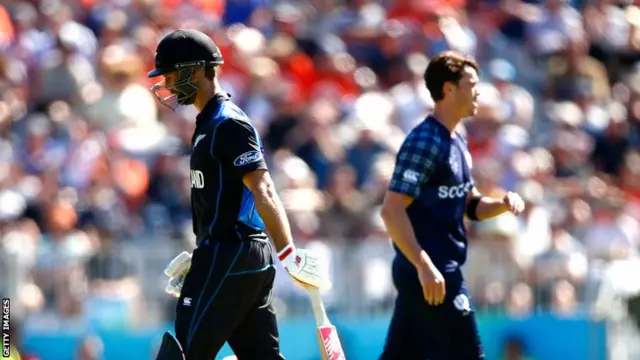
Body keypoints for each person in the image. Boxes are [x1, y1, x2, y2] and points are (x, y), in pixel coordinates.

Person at [149, 29, 329, 360]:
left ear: (198, 70)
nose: (169, 84)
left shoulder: (228, 123)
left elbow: (263, 188)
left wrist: (287, 253)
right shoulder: (207, 124)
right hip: (229, 254)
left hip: (231, 252)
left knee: (183, 355)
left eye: (173, 75)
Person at [378, 50, 526, 359]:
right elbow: (391, 210)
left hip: (431, 270)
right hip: (431, 272)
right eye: (471, 84)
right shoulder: (425, 140)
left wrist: (501, 204)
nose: (478, 92)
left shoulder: (457, 139)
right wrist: (424, 265)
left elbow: (469, 205)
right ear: (448, 89)